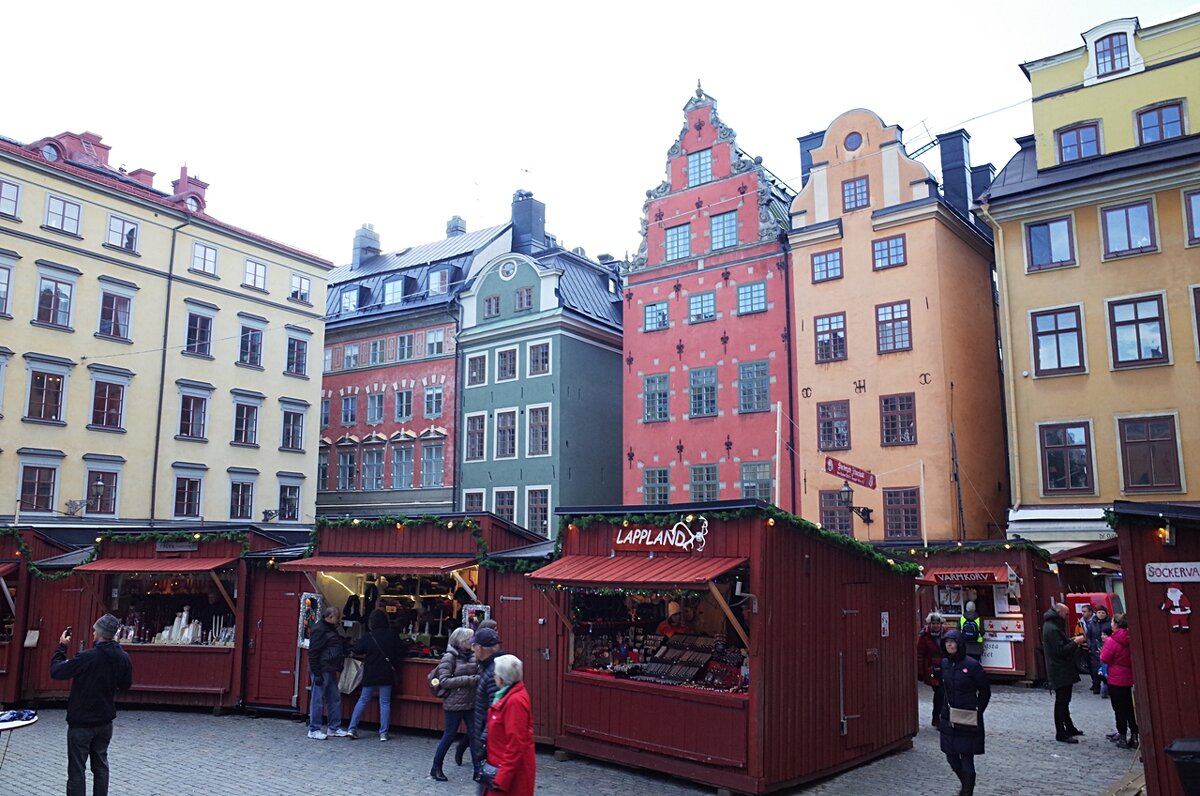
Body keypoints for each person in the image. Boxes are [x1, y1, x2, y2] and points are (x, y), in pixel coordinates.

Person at [49, 613, 134, 796]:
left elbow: (56, 671)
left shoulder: (87, 657)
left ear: (100, 633)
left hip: (82, 722)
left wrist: (62, 647)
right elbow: (125, 685)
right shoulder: (123, 657)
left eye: (95, 630)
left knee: (77, 771)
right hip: (104, 721)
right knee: (101, 766)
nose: (93, 633)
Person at [938, 629, 989, 796]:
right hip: (949, 716)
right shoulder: (945, 664)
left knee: (966, 757)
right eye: (947, 642)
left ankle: (967, 792)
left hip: (967, 716)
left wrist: (977, 710)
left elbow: (984, 691)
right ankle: (965, 784)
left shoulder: (972, 665)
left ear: (959, 644)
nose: (950, 645)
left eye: (952, 642)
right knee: (950, 756)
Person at [429, 627, 481, 781]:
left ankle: (478, 769)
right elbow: (444, 681)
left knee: (474, 735)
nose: (472, 642)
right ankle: (436, 767)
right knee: (449, 735)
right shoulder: (449, 657)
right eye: (469, 640)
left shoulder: (473, 656)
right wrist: (469, 680)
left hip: (471, 702)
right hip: (454, 703)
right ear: (460, 641)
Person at [482, 655, 536, 796]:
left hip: (508, 777)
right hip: (500, 769)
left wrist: (502, 778)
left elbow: (516, 743)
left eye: (495, 675)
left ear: (502, 679)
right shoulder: (507, 696)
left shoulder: (514, 701)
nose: (494, 677)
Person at [347, 609, 401, 741]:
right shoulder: (392, 635)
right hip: (386, 672)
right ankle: (383, 733)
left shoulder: (368, 636)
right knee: (385, 702)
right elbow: (401, 650)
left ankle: (352, 728)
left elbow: (357, 649)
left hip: (370, 671)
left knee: (363, 700)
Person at [1043, 602, 1087, 743]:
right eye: (1066, 614)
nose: (1067, 617)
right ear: (1059, 613)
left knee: (1064, 701)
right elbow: (1060, 651)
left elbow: (1060, 646)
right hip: (1059, 669)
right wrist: (1076, 643)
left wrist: (1071, 641)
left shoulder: (1052, 626)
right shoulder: (1053, 628)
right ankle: (1061, 732)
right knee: (1061, 702)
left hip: (1061, 669)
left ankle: (1069, 727)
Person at [307, 604, 350, 739]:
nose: (339, 620)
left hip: (329, 668)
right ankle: (314, 729)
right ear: (330, 617)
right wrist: (317, 673)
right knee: (318, 699)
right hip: (322, 668)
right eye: (337, 618)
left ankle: (333, 727)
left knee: (334, 698)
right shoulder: (320, 630)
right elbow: (313, 652)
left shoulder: (328, 628)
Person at [470, 626, 504, 789]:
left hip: (489, 740)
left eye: (474, 645)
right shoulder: (489, 667)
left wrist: (483, 741)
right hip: (486, 735)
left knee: (486, 784)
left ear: (481, 648)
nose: (472, 649)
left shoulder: (493, 672)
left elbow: (495, 709)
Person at [1100, 615, 1139, 749]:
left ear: (1116, 624)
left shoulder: (1112, 640)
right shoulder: (1131, 637)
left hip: (1116, 678)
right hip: (1128, 677)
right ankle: (1134, 735)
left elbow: (1104, 657)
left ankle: (1122, 736)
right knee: (1129, 708)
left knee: (1119, 709)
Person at [917, 612, 945, 728]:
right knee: (939, 692)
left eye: (937, 623)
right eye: (933, 623)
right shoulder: (924, 636)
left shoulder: (946, 634)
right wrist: (920, 672)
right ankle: (936, 717)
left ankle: (941, 717)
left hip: (944, 667)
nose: (935, 625)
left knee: (943, 693)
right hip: (931, 669)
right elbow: (920, 654)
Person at [1087, 606, 1112, 697]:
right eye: (1099, 612)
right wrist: (1090, 646)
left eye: (1103, 613)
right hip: (1094, 649)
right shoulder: (1092, 623)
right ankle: (1096, 686)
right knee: (1095, 669)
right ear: (1096, 613)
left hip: (1107, 647)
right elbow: (1088, 636)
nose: (1101, 614)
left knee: (1106, 668)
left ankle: (1107, 686)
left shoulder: (1109, 623)